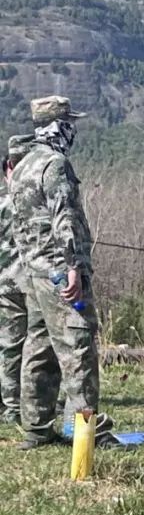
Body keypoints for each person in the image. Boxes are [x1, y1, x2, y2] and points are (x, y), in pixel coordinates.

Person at [9, 97, 118, 449]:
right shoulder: (55, 164)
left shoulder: (22, 164)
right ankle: (90, 432)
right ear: (58, 126)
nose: (74, 129)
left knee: (38, 348)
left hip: (33, 272)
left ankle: (37, 429)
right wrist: (73, 267)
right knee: (78, 344)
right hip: (59, 272)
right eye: (69, 122)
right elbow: (64, 218)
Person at [0, 135, 33, 424]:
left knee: (11, 344)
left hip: (8, 285)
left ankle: (13, 405)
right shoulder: (35, 200)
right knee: (31, 345)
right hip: (32, 283)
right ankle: (20, 405)